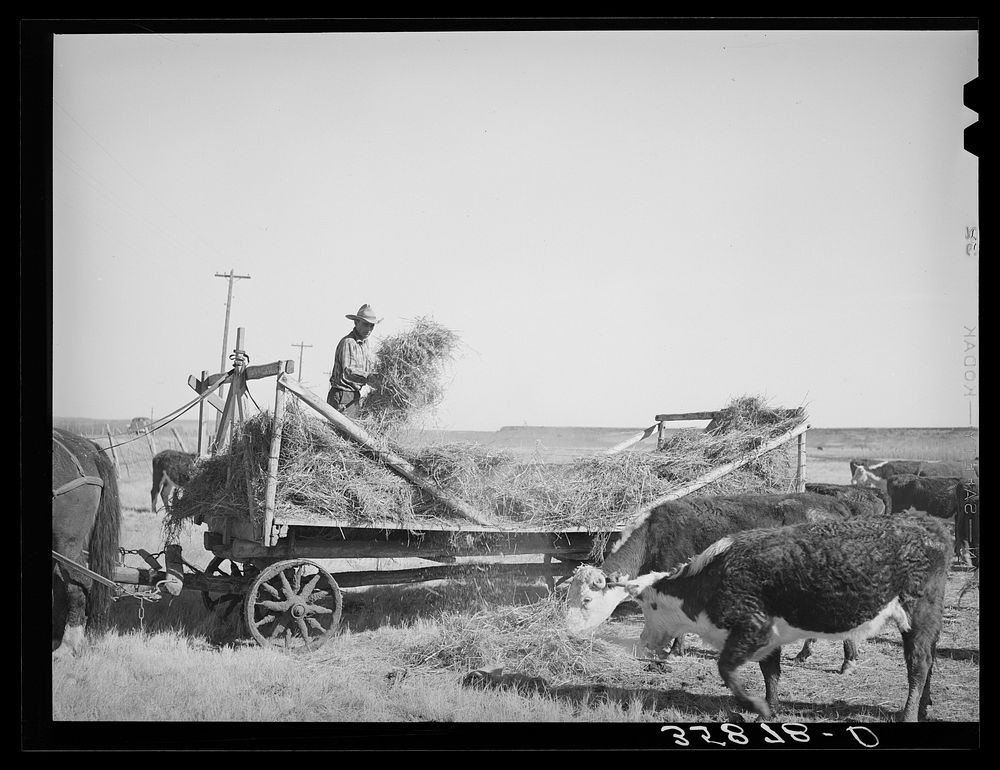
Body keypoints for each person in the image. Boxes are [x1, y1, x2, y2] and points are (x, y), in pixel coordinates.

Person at [327, 303, 382, 418]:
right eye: (366, 325)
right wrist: (369, 377)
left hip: (354, 395)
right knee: (343, 432)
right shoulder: (349, 342)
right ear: (356, 323)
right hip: (343, 394)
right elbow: (349, 371)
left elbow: (368, 369)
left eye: (371, 326)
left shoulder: (365, 345)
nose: (369, 329)